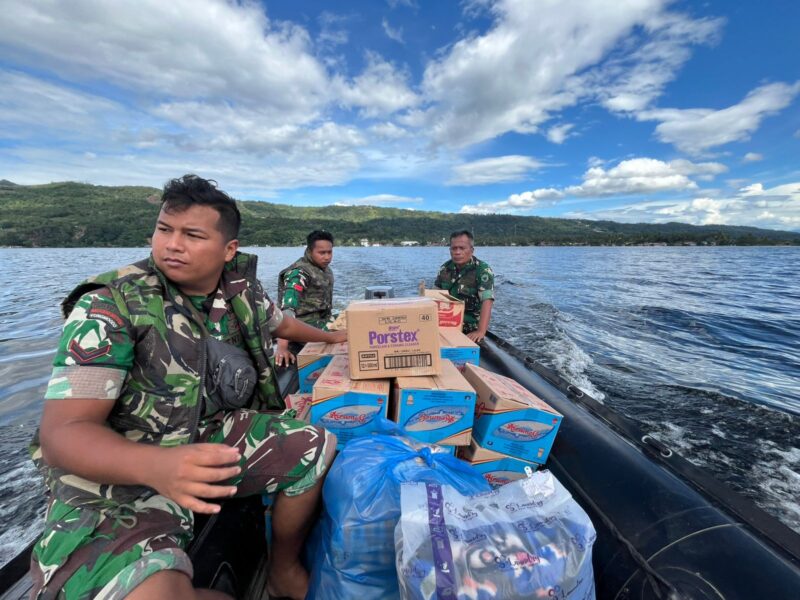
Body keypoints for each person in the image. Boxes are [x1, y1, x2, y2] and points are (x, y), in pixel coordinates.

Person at [29, 174, 346, 600]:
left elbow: (281, 323)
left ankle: (282, 569)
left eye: (192, 235)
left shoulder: (241, 291)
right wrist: (157, 466)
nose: (172, 244)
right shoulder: (110, 304)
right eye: (164, 229)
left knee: (316, 447)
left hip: (203, 431)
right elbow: (63, 432)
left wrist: (336, 338)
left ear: (227, 249)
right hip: (119, 466)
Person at [274, 230, 335, 367]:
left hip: (321, 321)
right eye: (321, 253)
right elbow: (287, 310)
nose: (326, 257)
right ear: (310, 251)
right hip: (302, 329)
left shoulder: (323, 269)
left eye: (329, 252)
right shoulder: (299, 273)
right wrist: (282, 347)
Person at [434, 229, 495, 343]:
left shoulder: (482, 271)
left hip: (470, 328)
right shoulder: (444, 269)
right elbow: (435, 296)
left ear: (471, 250)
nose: (457, 252)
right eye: (454, 248)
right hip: (446, 324)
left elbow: (487, 301)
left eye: (462, 248)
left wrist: (481, 332)